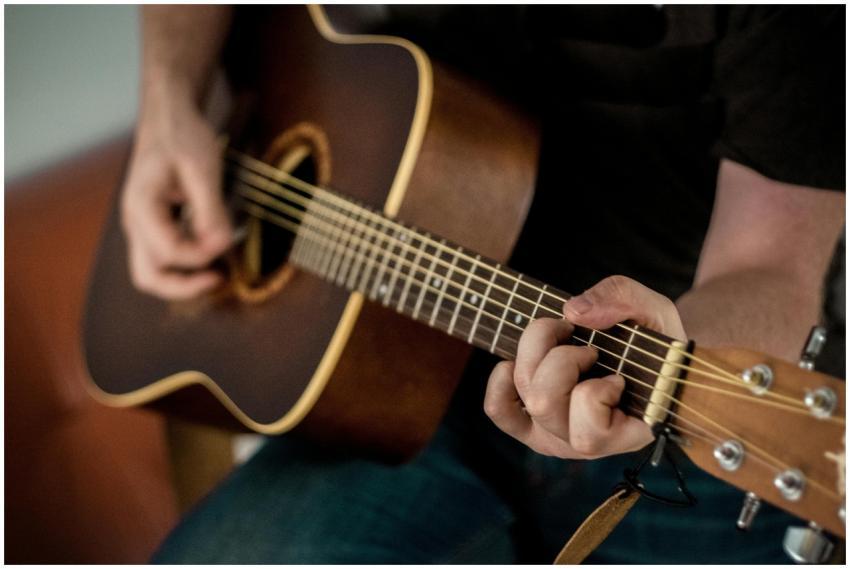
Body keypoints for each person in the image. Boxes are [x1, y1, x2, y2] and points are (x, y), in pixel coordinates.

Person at [121, 5, 845, 563]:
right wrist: (168, 101)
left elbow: (778, 261)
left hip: (675, 425)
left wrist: (675, 349)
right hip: (395, 386)